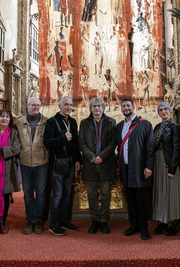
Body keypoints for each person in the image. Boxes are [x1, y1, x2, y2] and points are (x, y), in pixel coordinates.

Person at [117, 97, 155, 240]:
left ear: (134, 107)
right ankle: (134, 225)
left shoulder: (145, 124)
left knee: (142, 200)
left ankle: (144, 227)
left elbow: (150, 147)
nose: (126, 108)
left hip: (140, 169)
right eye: (123, 106)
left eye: (128, 106)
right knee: (131, 199)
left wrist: (148, 166)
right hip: (126, 170)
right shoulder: (120, 126)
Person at [43, 96, 81, 236]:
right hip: (57, 163)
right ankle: (54, 224)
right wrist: (62, 139)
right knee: (58, 195)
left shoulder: (72, 121)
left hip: (70, 163)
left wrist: (77, 160)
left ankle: (65, 221)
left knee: (67, 194)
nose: (68, 107)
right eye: (65, 104)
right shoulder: (52, 122)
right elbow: (47, 142)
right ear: (59, 105)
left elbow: (75, 143)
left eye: (70, 105)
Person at [79, 97, 117, 234]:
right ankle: (95, 220)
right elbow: (81, 142)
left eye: (99, 106)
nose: (96, 108)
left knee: (106, 194)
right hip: (90, 164)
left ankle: (104, 221)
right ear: (91, 108)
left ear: (103, 108)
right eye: (94, 106)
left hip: (106, 163)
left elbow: (113, 142)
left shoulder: (111, 122)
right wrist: (92, 157)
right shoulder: (84, 123)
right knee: (92, 194)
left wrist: (101, 157)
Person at [153, 102, 180, 236]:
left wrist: (172, 169)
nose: (163, 111)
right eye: (161, 110)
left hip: (170, 163)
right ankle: (163, 221)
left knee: (173, 192)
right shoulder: (157, 127)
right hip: (158, 163)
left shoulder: (175, 127)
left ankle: (177, 223)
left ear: (170, 111)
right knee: (161, 191)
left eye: (166, 109)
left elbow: (177, 148)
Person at [16, 97, 48, 234]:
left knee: (40, 193)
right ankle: (30, 219)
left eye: (38, 105)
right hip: (25, 162)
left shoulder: (47, 122)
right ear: (27, 106)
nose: (36, 107)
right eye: (33, 105)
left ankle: (38, 220)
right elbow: (16, 142)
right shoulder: (19, 123)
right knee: (28, 193)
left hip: (41, 162)